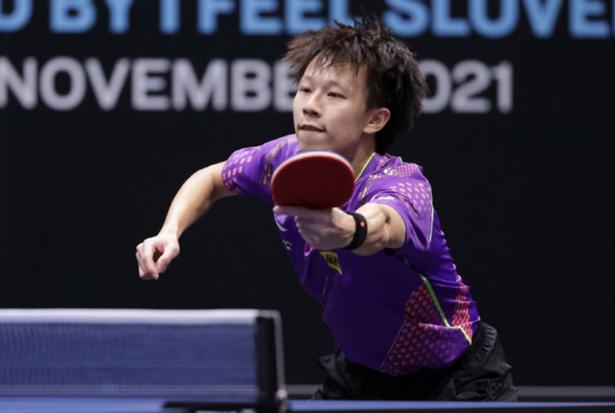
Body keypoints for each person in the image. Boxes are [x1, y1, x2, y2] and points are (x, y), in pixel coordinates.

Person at [135, 16, 517, 401]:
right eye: (304, 90)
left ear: (375, 118)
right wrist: (170, 231)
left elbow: (383, 225)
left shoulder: (402, 185)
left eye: (334, 95)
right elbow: (211, 180)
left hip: (455, 379)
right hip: (359, 374)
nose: (310, 106)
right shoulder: (280, 159)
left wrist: (349, 230)